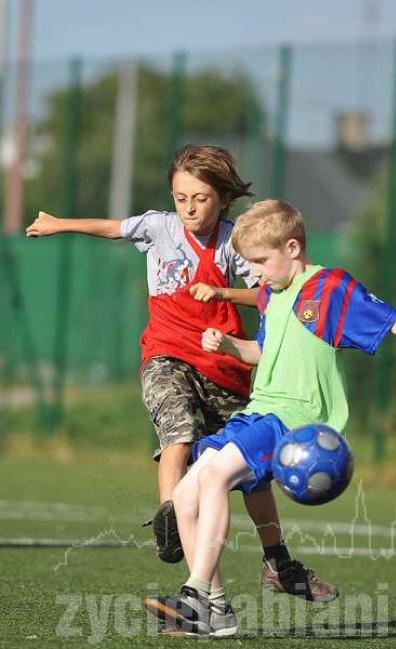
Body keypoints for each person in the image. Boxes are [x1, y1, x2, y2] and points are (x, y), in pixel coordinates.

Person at [145, 199, 396, 637]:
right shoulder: (270, 294)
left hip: (292, 416)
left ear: (293, 247)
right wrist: (228, 345)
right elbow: (262, 353)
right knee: (187, 495)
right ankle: (215, 613)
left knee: (216, 477)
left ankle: (196, 592)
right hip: (258, 410)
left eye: (261, 261)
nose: (255, 273)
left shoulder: (330, 289)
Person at [26, 147, 329, 606]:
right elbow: (111, 229)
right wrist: (57, 223)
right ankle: (172, 521)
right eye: (180, 197)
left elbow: (271, 293)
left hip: (225, 370)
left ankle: (277, 561)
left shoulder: (234, 242)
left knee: (251, 477)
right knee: (179, 434)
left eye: (201, 198)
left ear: (223, 199)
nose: (188, 207)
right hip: (166, 356)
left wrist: (224, 290)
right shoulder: (158, 227)